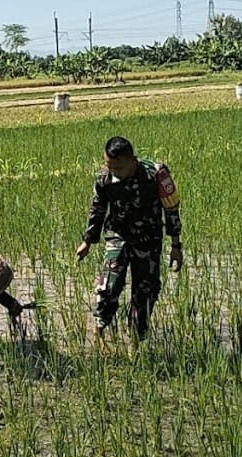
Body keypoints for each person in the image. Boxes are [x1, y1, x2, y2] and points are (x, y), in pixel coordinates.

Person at [76, 136, 183, 340]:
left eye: (118, 168)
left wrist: (176, 246)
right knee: (108, 286)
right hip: (117, 236)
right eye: (109, 166)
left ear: (132, 161)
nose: (114, 172)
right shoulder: (104, 178)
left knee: (145, 292)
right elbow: (97, 209)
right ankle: (99, 334)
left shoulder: (156, 174)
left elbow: (171, 210)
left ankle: (136, 342)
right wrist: (87, 241)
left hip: (148, 240)